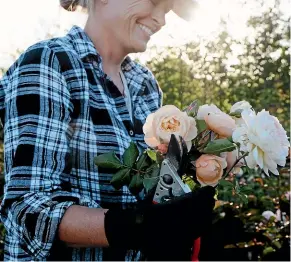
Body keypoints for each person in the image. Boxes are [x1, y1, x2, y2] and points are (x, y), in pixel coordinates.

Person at [0, 0, 215, 261]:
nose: (161, 20)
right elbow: (27, 207)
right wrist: (136, 227)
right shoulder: (51, 63)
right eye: (155, 3)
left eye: (167, 10)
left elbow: (148, 194)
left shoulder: (144, 84)